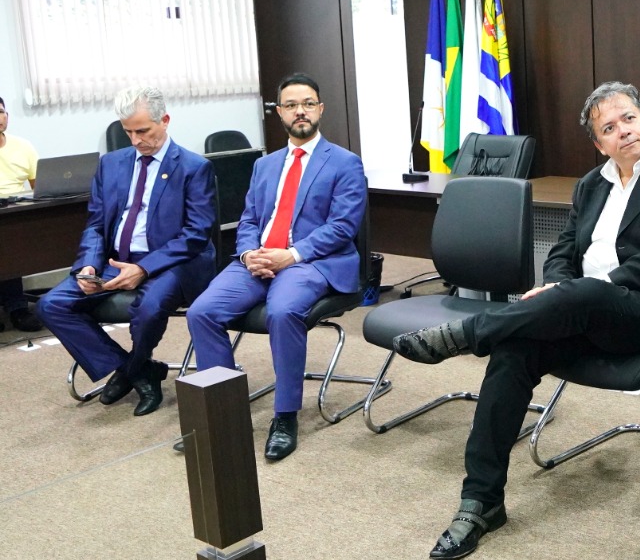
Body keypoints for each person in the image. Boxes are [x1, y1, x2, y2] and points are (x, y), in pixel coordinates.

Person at [393, 81, 640, 560]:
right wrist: (558, 289)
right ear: (599, 144)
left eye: (630, 118)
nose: (623, 131)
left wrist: (590, 288)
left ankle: (468, 334)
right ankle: (481, 501)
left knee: (585, 291)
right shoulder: (591, 185)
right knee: (514, 350)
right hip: (585, 312)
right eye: (609, 128)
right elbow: (565, 251)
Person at [186, 74, 366, 462]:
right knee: (202, 312)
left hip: (311, 261)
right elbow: (250, 219)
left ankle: (285, 416)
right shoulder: (264, 165)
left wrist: (292, 254)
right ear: (279, 113)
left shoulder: (344, 163)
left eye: (308, 103)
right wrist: (248, 253)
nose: (300, 111)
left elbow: (342, 226)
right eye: (291, 105)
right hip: (259, 258)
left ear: (320, 109)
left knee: (282, 312)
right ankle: (223, 412)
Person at [36, 87, 217, 414]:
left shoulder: (193, 167)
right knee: (52, 305)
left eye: (143, 131)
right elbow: (96, 224)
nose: (135, 140)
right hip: (114, 260)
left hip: (170, 263)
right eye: (128, 132)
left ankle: (130, 370)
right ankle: (140, 369)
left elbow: (196, 233)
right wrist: (88, 266)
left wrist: (144, 268)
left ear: (165, 120)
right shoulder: (111, 164)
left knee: (149, 307)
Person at [0, 94, 43, 330]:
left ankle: (17, 307)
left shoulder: (22, 146)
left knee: (11, 241)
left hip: (15, 211)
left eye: (1, 112)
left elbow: (40, 188)